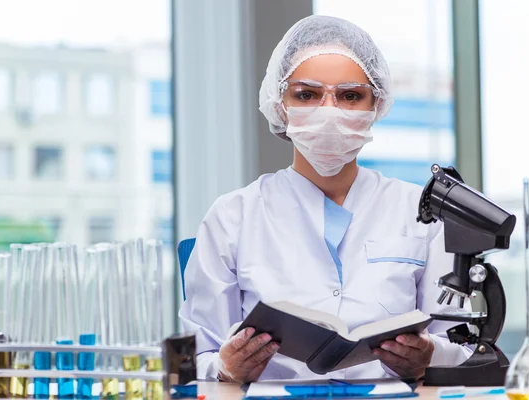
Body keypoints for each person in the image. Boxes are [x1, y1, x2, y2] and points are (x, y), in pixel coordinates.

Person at [179, 15, 472, 383]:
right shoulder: (232, 217)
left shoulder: (421, 213)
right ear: (279, 104)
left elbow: (460, 346)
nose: (329, 111)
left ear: (375, 104)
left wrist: (428, 357)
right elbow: (194, 357)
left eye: (350, 96)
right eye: (307, 95)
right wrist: (224, 369)